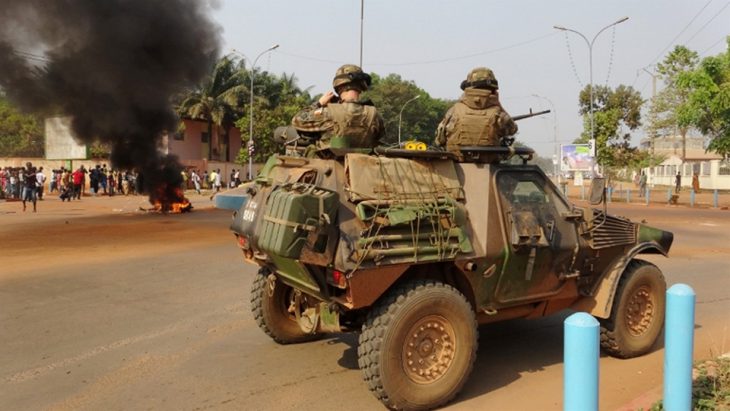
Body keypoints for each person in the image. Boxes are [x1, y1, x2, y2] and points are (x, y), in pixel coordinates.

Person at [291, 64, 384, 155]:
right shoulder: (374, 115)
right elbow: (379, 136)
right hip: (362, 167)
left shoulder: (328, 113)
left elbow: (297, 121)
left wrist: (318, 104)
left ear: (339, 86)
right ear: (361, 86)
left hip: (328, 167)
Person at [435, 67, 518, 155]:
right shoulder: (499, 114)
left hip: (456, 165)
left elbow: (440, 140)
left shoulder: (454, 110)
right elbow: (513, 129)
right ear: (494, 90)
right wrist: (498, 105)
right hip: (490, 165)